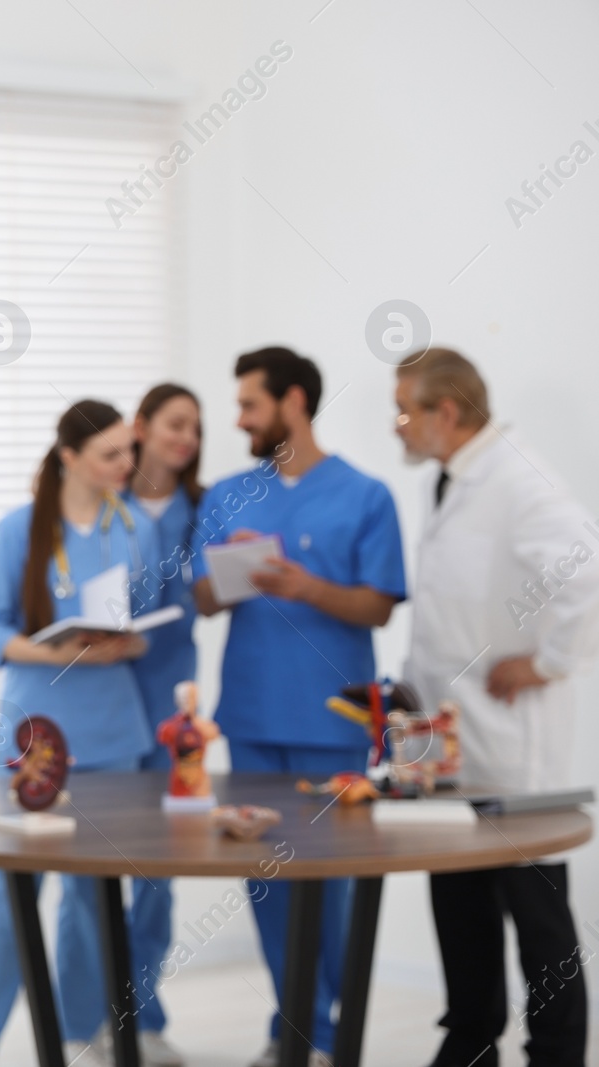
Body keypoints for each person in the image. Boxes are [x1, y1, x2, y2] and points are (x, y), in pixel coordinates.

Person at [191, 347, 406, 1066]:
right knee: (268, 881)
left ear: (293, 402)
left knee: (332, 886)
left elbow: (376, 604)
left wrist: (298, 582)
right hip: (252, 718)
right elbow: (201, 596)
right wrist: (240, 570)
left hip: (333, 720)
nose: (240, 419)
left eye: (250, 404)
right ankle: (298, 1029)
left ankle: (323, 1020)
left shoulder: (366, 495)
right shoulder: (227, 495)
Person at [395, 347, 597, 1067]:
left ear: (444, 412)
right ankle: (472, 1039)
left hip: (512, 747)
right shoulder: (448, 480)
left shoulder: (519, 478)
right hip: (450, 742)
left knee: (537, 912)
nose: (397, 426)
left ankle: (558, 1053)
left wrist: (543, 663)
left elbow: (586, 567)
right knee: (459, 898)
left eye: (405, 411)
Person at [0, 400, 164, 1067]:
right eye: (111, 454)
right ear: (69, 456)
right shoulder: (21, 528)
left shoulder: (134, 529)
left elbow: (146, 628)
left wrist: (120, 645)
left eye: (129, 451)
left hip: (115, 732)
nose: (126, 465)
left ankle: (82, 1032)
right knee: (10, 886)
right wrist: (59, 652)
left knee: (93, 892)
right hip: (36, 735)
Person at [122, 382, 205, 1067]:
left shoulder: (202, 510)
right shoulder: (98, 502)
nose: (187, 438)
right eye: (176, 423)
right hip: (105, 712)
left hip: (170, 715)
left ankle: (143, 1015)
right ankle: (88, 1017)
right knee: (88, 874)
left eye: (196, 429)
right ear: (141, 426)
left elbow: (201, 596)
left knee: (155, 876)